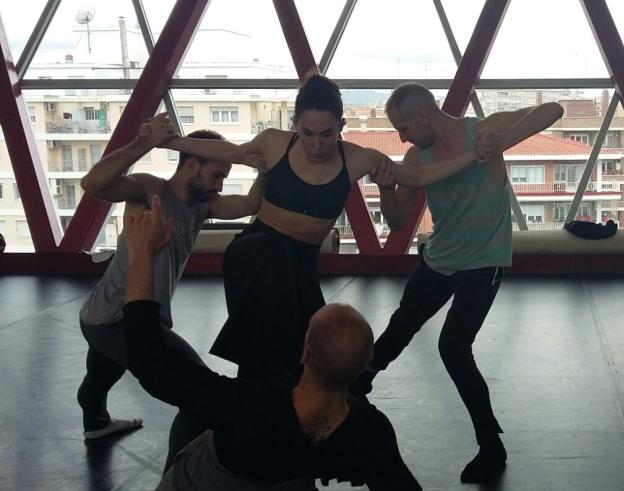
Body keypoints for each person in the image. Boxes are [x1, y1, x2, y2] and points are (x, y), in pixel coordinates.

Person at [159, 74, 479, 381]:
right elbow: (228, 151)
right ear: (296, 124)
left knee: (307, 356)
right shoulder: (273, 144)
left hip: (299, 266)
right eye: (308, 133)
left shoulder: (358, 159)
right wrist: (169, 142)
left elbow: (420, 177)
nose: (316, 144)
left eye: (327, 134)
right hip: (256, 257)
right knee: (271, 355)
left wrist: (472, 157)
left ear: (341, 127)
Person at [120, 196, 421, 490]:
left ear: (305, 352)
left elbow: (149, 359)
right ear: (364, 365)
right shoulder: (368, 431)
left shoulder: (246, 408)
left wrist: (141, 256)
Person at [351, 82, 563, 483]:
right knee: (401, 326)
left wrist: (499, 140)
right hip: (441, 258)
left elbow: (553, 110)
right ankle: (353, 391)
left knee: (453, 345)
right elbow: (396, 222)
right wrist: (385, 187)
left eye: (403, 127)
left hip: (485, 263)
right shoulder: (417, 156)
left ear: (423, 116)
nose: (402, 137)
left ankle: (490, 444)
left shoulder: (484, 129)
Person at [76, 114, 264, 441]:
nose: (219, 185)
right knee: (197, 388)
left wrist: (266, 170)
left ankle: (95, 422)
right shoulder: (152, 190)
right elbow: (93, 184)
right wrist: (143, 143)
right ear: (191, 165)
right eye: (216, 175)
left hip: (111, 315)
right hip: (114, 316)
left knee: (100, 376)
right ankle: (177, 476)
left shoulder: (203, 206)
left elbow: (250, 203)